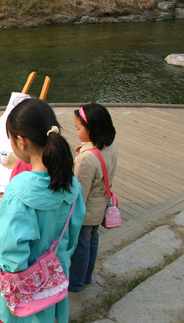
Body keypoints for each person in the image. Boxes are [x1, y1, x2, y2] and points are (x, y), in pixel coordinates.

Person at [0, 98, 86, 323]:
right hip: (55, 274)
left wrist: (16, 286)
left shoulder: (19, 190)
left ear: (21, 141)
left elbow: (11, 248)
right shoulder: (72, 183)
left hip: (22, 287)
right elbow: (73, 232)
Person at [68, 103, 117, 293]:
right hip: (101, 205)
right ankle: (87, 277)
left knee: (80, 247)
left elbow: (79, 193)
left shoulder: (87, 158)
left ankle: (76, 283)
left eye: (78, 128)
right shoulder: (111, 146)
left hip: (86, 212)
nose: (77, 131)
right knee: (92, 240)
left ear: (92, 130)